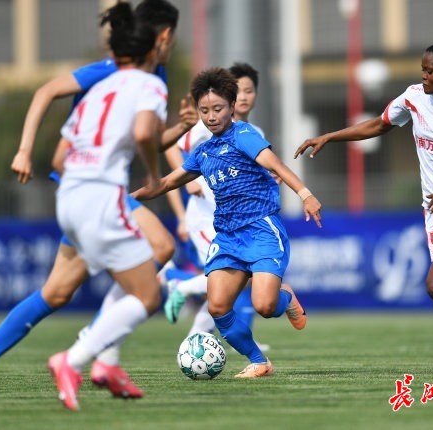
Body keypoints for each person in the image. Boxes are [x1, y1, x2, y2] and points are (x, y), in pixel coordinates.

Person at [0, 0, 192, 401]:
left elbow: (75, 153)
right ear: (163, 36)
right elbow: (134, 132)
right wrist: (23, 149)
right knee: (160, 254)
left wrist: (181, 127)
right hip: (98, 189)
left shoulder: (137, 78)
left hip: (73, 189)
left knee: (56, 292)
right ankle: (98, 350)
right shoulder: (121, 73)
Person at [294, 41, 433, 378]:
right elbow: (379, 125)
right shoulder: (413, 97)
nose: (424, 76)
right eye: (422, 69)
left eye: (430, 71)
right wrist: (330, 137)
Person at [132, 67, 323, 378]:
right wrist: (125, 199)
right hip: (228, 238)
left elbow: (275, 164)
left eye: (218, 109)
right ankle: (259, 361)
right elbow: (165, 183)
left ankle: (285, 297)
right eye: (204, 110)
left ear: (232, 106)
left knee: (265, 306)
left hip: (261, 229)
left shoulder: (244, 135)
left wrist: (305, 194)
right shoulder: (203, 152)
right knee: (218, 307)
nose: (211, 116)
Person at [44, 2, 168, 411]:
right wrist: (153, 175)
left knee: (139, 276)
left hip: (68, 199)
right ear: (152, 50)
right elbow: (144, 132)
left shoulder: (98, 89)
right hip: (101, 198)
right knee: (148, 295)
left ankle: (108, 363)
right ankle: (73, 359)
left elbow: (59, 158)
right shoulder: (150, 84)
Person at [163, 63, 284, 350]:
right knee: (231, 279)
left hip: (239, 222)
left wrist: (270, 175)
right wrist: (188, 184)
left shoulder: (252, 131)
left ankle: (196, 342)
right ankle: (180, 284)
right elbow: (171, 146)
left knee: (231, 286)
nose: (244, 96)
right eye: (239, 91)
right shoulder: (208, 124)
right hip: (207, 217)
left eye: (249, 91)